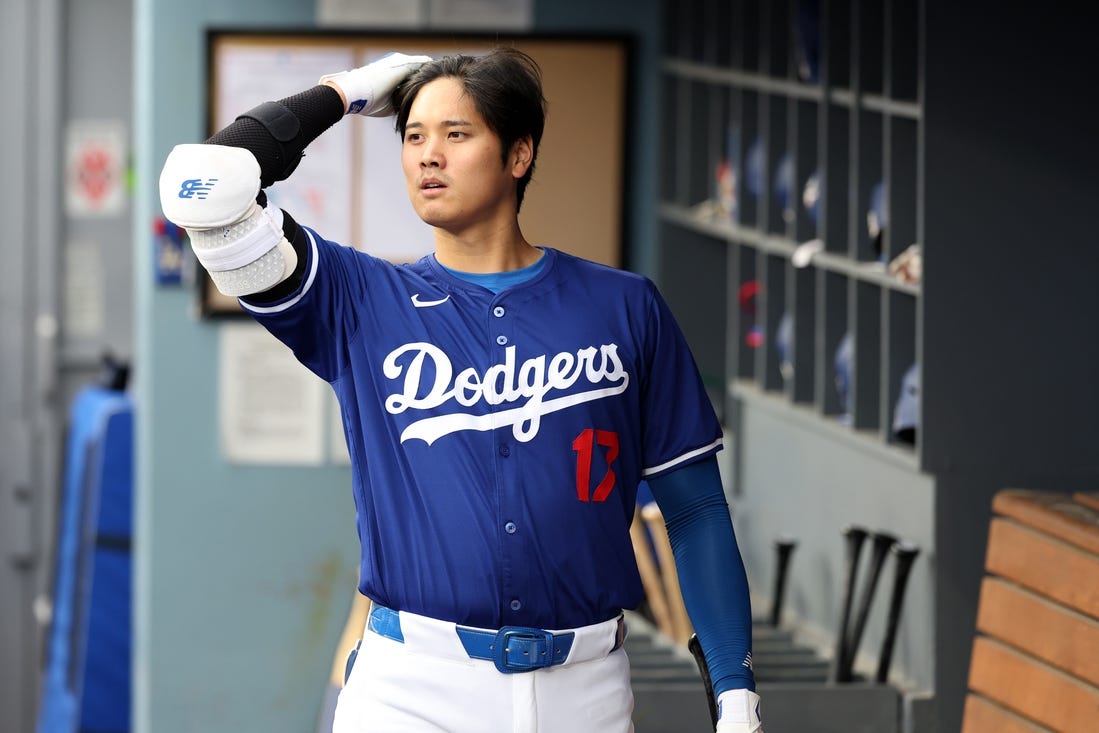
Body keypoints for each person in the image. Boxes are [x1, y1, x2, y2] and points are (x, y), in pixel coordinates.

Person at [159, 48, 764, 733]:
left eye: (456, 133)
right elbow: (201, 184)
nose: (427, 155)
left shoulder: (623, 307)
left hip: (586, 688)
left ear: (518, 155)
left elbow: (694, 513)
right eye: (414, 135)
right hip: (413, 690)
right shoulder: (358, 299)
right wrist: (350, 91)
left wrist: (735, 697)